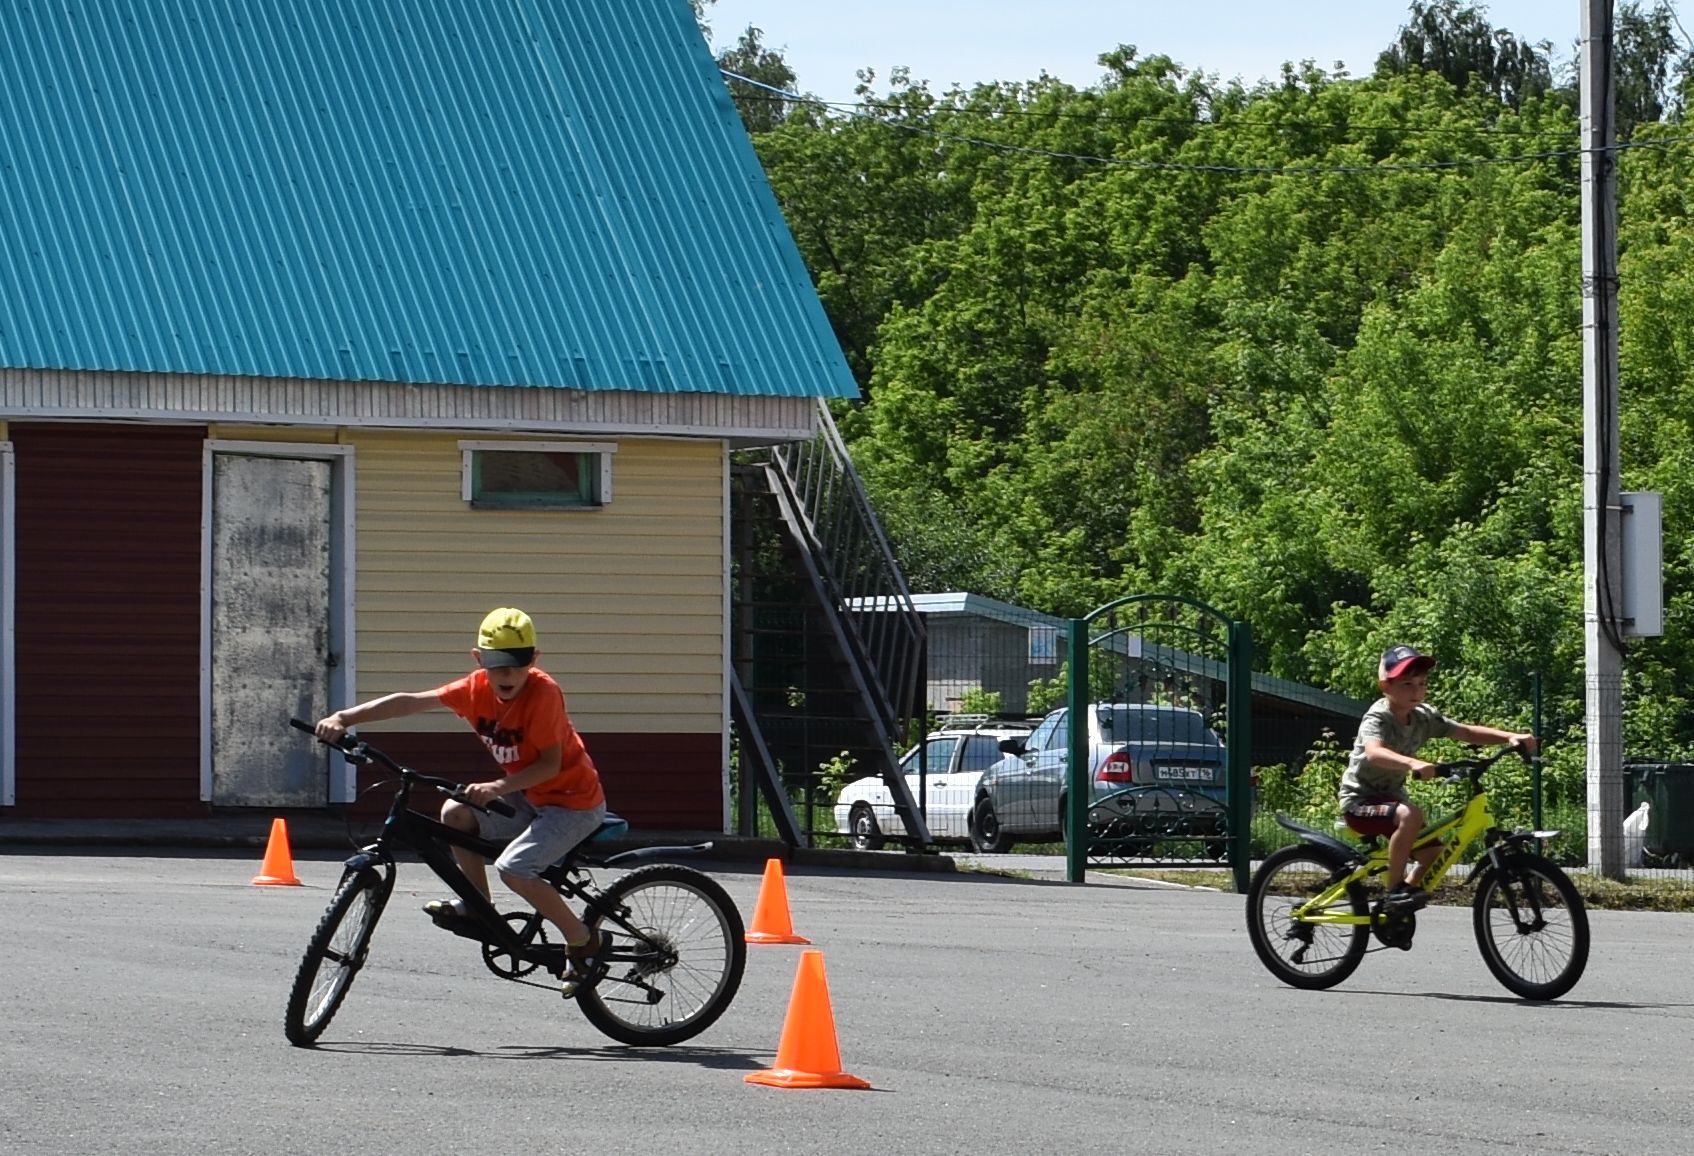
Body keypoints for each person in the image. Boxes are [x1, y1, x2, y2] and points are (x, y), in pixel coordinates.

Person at [315, 607, 610, 995]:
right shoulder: (475, 690)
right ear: (478, 659)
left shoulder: (543, 693)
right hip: (529, 798)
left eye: (518, 664)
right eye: (496, 663)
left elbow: (550, 765)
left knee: (515, 869)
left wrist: (496, 788)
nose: (507, 674)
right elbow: (410, 701)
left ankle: (582, 938)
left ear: (534, 660)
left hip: (573, 804)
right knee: (455, 813)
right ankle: (477, 906)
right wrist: (344, 718)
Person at [1337, 645, 1537, 912]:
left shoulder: (1423, 717)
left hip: (1392, 802)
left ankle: (1398, 905)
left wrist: (1510, 737)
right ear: (1385, 686)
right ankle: (1393, 891)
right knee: (1411, 815)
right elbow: (1374, 752)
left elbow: (1465, 732)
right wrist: (1413, 762)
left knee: (1435, 856)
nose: (1416, 691)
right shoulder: (1379, 716)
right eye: (1407, 683)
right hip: (1359, 803)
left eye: (1422, 683)